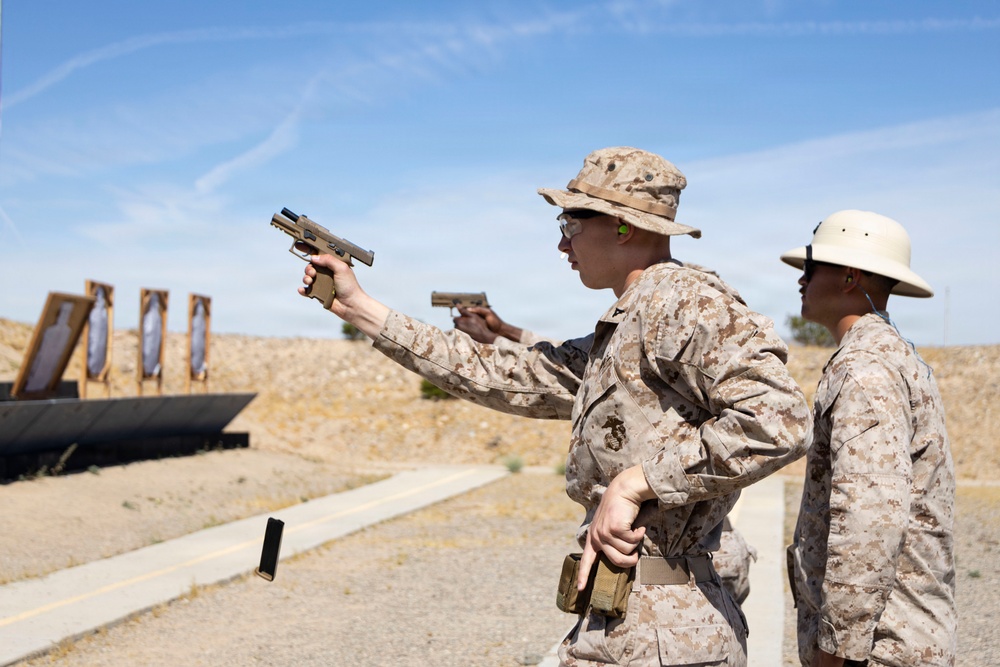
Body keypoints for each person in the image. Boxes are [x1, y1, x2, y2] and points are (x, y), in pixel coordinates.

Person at [297, 146, 812, 667]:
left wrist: (636, 482)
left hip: (666, 634)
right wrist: (358, 307)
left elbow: (781, 421)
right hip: (629, 620)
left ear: (621, 227)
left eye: (569, 222)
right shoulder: (628, 321)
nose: (561, 241)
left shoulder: (682, 302)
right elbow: (505, 373)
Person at [453, 304, 758, 607]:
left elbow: (766, 426)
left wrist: (634, 484)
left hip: (690, 558)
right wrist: (505, 332)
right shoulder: (658, 350)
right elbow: (587, 361)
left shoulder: (689, 352)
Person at [781, 210, 956, 667]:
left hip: (879, 649)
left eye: (811, 268)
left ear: (849, 278)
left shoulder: (866, 369)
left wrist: (836, 650)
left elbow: (870, 517)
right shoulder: (889, 356)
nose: (801, 280)